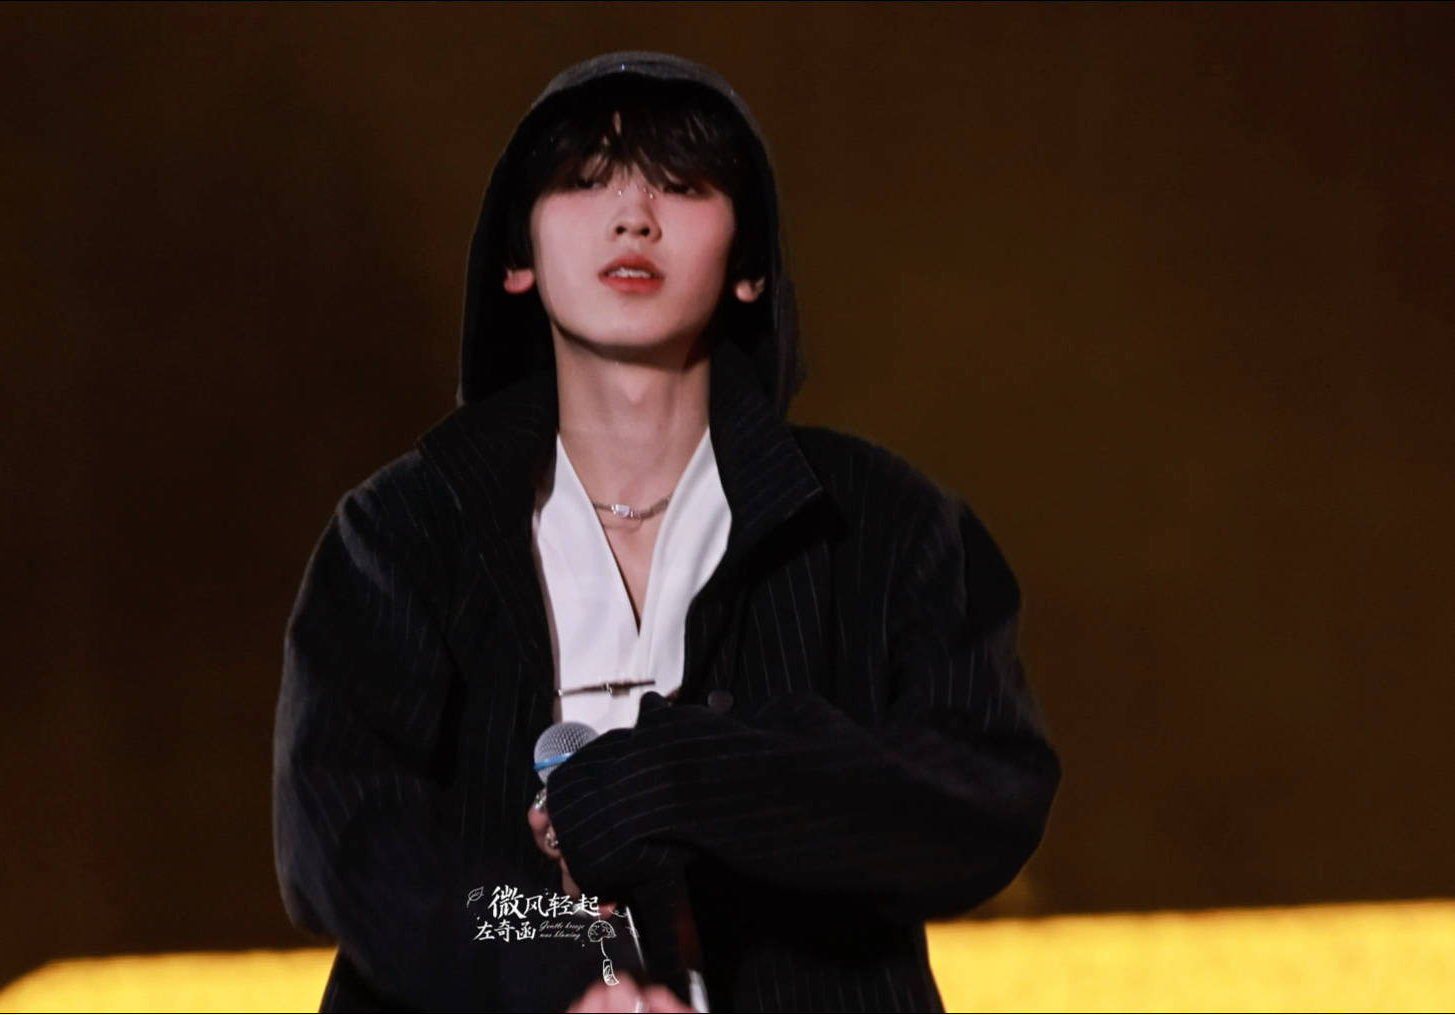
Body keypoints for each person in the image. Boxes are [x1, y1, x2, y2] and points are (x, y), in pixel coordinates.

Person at [274, 51, 1060, 1012]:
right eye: (583, 181)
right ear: (516, 258)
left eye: (682, 186)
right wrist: (552, 972)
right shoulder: (401, 530)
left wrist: (685, 777)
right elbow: (341, 833)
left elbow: (984, 793)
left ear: (749, 267)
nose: (632, 216)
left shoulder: (883, 520)